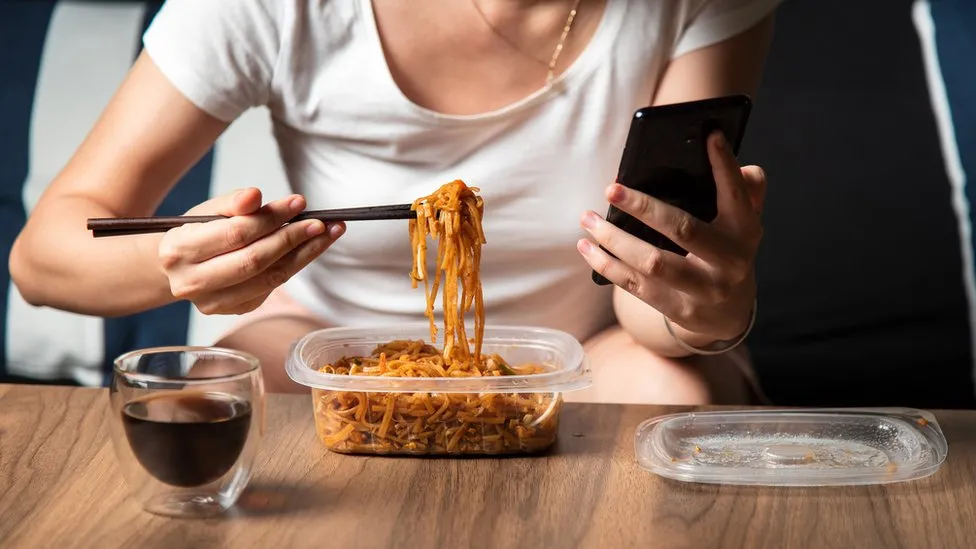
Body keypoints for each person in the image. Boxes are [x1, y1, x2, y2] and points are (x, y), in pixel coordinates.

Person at [9, 0, 777, 403]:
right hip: (321, 336)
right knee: (219, 396)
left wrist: (702, 307)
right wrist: (179, 262)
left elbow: (649, 296)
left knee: (669, 387)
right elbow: (43, 259)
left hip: (582, 348)